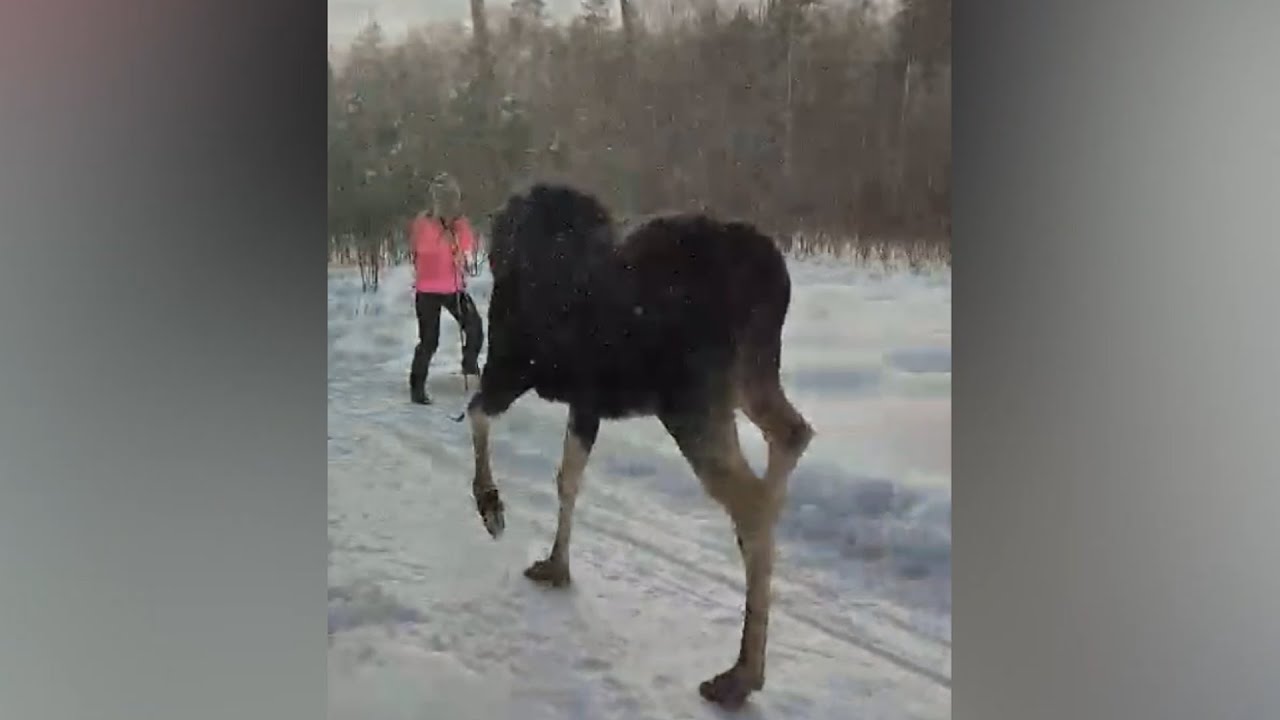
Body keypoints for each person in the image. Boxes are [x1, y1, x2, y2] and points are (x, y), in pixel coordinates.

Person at [407, 173, 484, 405]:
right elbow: (420, 252)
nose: (450, 205)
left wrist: (465, 254)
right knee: (429, 341)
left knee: (475, 328)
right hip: (427, 290)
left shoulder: (460, 225)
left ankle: (469, 364)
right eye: (445, 199)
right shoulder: (423, 223)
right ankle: (417, 388)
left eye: (452, 200)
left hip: (454, 289)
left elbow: (470, 253)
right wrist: (446, 244)